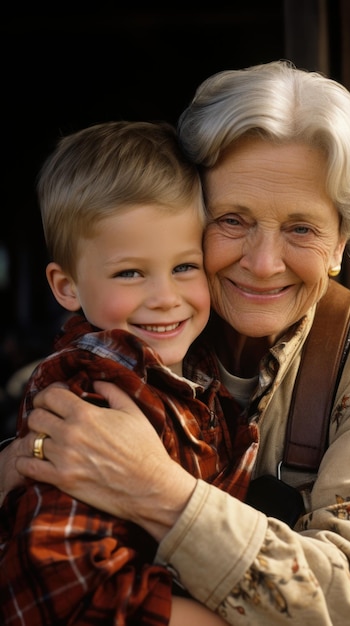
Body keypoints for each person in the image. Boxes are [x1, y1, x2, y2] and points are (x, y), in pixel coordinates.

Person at [2, 60, 350, 625]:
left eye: (301, 228)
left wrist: (156, 490)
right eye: (232, 220)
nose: (264, 264)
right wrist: (18, 464)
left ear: (341, 243)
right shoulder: (145, 331)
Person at [0, 120, 261, 625]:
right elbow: (65, 584)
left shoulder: (196, 369)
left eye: (185, 266)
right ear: (67, 286)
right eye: (130, 272)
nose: (165, 297)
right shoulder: (93, 397)